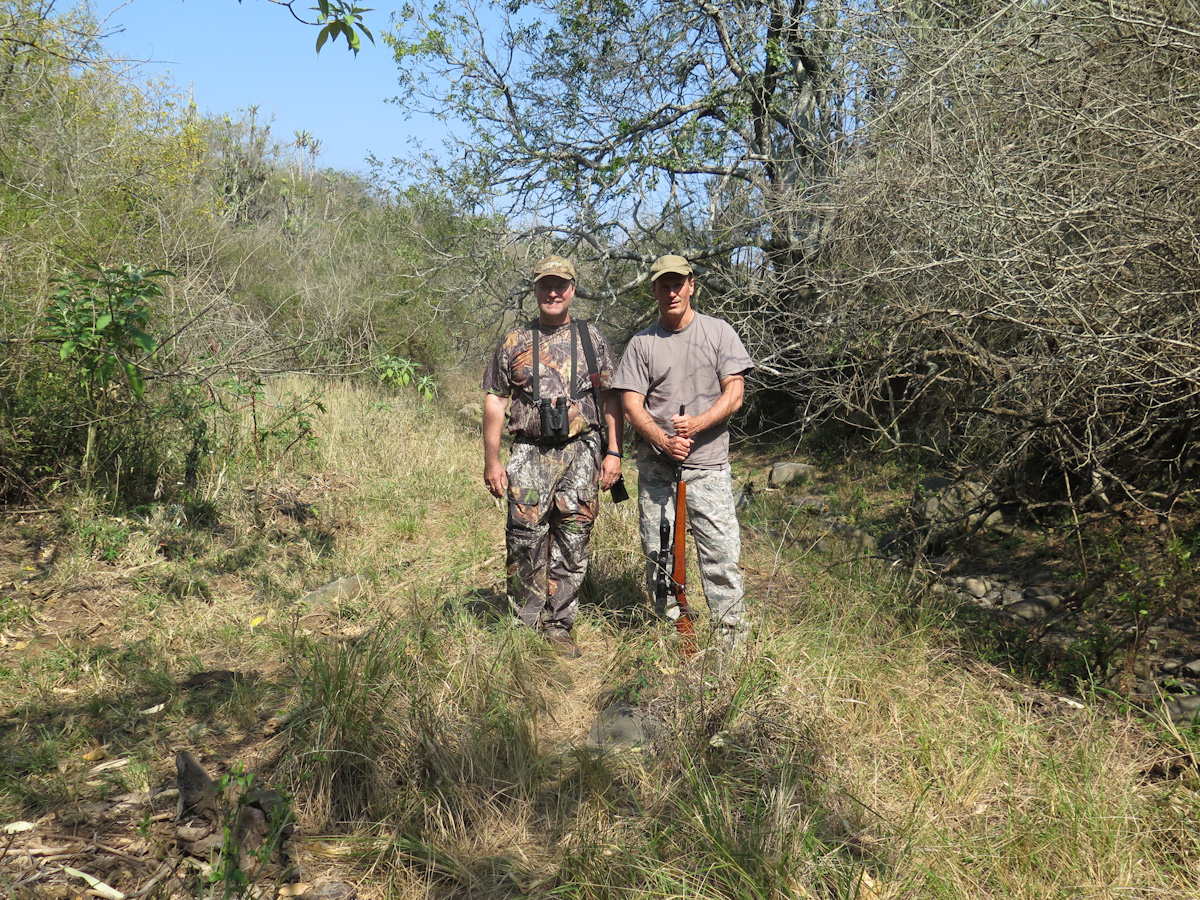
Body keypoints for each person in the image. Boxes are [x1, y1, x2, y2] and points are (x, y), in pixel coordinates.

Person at [482, 255, 624, 658]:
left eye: (561, 285)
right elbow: (495, 401)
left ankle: (559, 625)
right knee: (524, 540)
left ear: (573, 290)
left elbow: (612, 398)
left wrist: (614, 452)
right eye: (545, 285)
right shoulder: (513, 341)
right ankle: (524, 627)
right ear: (535, 290)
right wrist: (492, 461)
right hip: (529, 453)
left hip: (583, 452)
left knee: (573, 540)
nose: (553, 292)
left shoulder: (592, 339)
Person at [611, 254, 754, 651]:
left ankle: (731, 647)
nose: (672, 292)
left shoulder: (719, 332)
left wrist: (697, 424)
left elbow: (735, 393)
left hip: (709, 466)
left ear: (692, 286)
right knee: (659, 556)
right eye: (664, 285)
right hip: (657, 467)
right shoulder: (642, 343)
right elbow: (631, 404)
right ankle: (672, 637)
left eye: (678, 284)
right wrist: (662, 439)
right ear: (654, 291)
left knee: (721, 557)